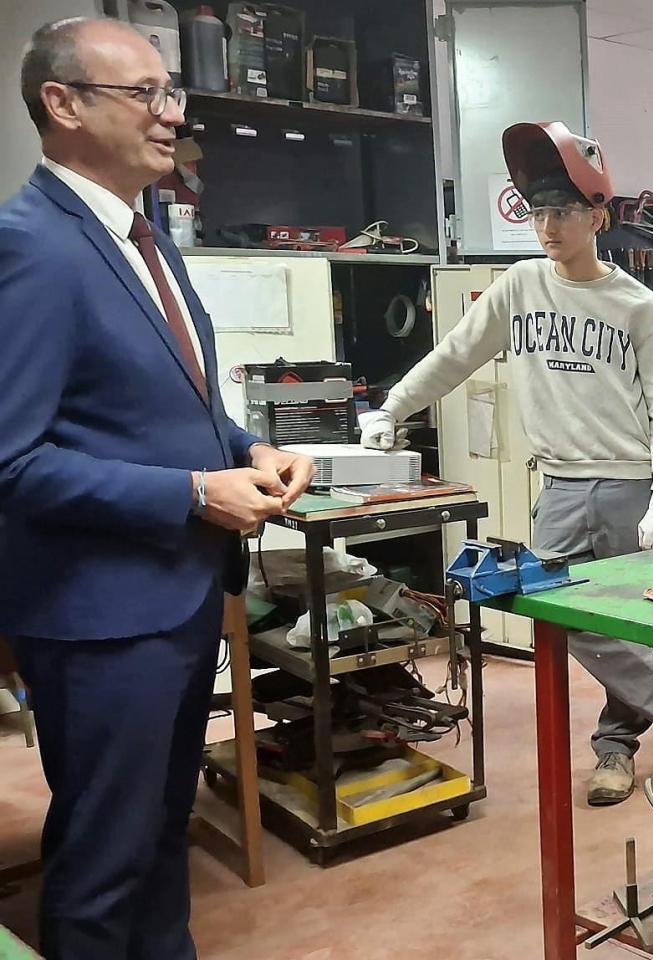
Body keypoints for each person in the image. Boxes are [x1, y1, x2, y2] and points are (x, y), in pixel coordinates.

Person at [0, 18, 314, 958]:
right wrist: (188, 493)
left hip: (176, 602)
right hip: (101, 621)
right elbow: (12, 461)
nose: (170, 114)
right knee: (104, 863)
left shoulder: (144, 237)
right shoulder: (31, 247)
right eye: (143, 93)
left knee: (157, 840)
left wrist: (249, 448)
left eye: (169, 93)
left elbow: (171, 403)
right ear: (62, 104)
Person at [359, 120, 653, 807]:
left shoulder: (636, 305)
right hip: (557, 484)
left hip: (626, 484)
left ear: (598, 216)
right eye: (538, 212)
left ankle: (616, 748)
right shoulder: (518, 287)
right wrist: (393, 407)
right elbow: (455, 356)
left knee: (636, 622)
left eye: (563, 211)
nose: (548, 226)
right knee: (555, 614)